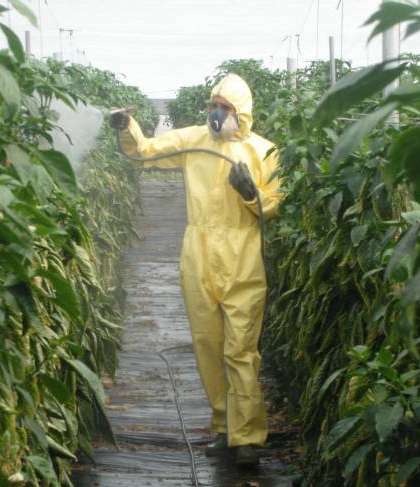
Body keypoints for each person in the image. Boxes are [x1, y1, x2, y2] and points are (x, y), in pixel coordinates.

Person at [110, 73, 282, 466]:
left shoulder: (264, 152)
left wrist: (248, 192)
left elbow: (271, 205)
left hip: (242, 253)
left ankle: (248, 438)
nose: (217, 114)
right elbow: (146, 151)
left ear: (242, 113)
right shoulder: (194, 141)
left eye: (225, 108)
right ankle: (224, 427)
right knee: (207, 344)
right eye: (213, 106)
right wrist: (127, 127)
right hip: (198, 252)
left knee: (241, 349)